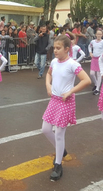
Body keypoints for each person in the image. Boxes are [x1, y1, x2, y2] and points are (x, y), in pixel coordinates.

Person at [41, 32, 90, 181]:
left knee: (59, 134)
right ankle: (61, 150)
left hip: (65, 101)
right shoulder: (55, 62)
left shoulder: (73, 64)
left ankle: (58, 165)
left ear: (67, 49)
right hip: (54, 100)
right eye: (54, 48)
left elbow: (86, 80)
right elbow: (49, 74)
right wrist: (48, 85)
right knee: (45, 129)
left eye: (58, 48)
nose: (55, 50)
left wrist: (70, 91)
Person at [89, 30, 103, 95]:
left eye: (100, 34)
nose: (99, 35)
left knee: (98, 74)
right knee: (91, 73)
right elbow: (89, 46)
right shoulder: (93, 41)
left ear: (102, 35)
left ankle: (97, 89)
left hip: (100, 59)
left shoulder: (102, 42)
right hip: (94, 59)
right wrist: (90, 52)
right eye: (98, 34)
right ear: (96, 34)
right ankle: (96, 84)